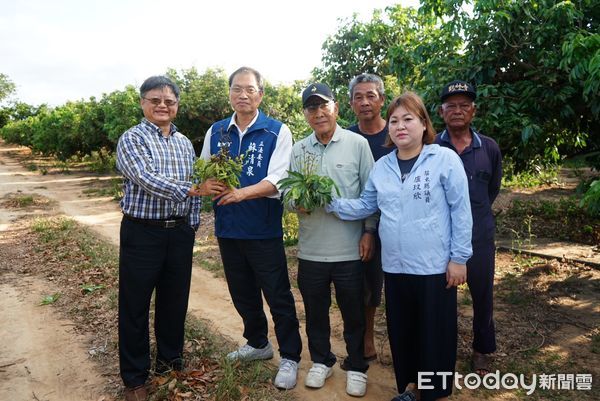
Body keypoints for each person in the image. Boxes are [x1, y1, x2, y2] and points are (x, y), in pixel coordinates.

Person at [327, 91, 473, 401]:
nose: (400, 126)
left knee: (434, 331)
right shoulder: (383, 167)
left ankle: (433, 392)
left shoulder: (443, 159)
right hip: (395, 264)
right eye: (394, 121)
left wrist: (459, 258)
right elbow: (366, 205)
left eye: (408, 119)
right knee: (403, 330)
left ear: (423, 124)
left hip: (434, 265)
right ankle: (409, 387)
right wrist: (328, 203)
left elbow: (461, 211)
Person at [116, 75, 225, 401]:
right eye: (155, 100)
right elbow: (146, 178)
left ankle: (170, 364)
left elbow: (194, 183)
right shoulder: (132, 139)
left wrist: (190, 226)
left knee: (174, 302)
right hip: (142, 232)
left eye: (169, 101)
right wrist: (194, 190)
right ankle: (135, 378)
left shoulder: (182, 143)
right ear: (143, 102)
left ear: (176, 105)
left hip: (178, 233)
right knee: (135, 306)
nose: (163, 105)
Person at [199, 66, 302, 390]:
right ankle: (258, 343)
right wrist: (206, 185)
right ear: (229, 93)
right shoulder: (216, 131)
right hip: (228, 228)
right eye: (237, 89)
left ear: (260, 94)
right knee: (242, 292)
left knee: (278, 295)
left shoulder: (276, 131)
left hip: (263, 230)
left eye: (249, 89)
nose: (243, 95)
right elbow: (203, 172)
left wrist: (241, 193)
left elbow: (280, 179)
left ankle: (290, 356)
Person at [290, 82, 375, 397]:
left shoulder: (357, 144)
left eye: (323, 105)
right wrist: (293, 201)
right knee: (314, 310)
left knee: (353, 311)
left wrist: (369, 231)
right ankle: (321, 361)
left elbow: (371, 193)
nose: (318, 112)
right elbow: (286, 192)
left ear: (336, 107)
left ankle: (356, 365)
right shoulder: (299, 150)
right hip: (311, 250)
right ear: (306, 114)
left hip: (349, 250)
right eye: (311, 107)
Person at [435, 80, 502, 376]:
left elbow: (493, 190)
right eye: (452, 106)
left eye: (464, 105)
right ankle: (440, 351)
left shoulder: (488, 147)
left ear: (473, 111)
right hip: (439, 238)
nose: (458, 111)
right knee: (439, 297)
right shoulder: (431, 148)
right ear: (441, 111)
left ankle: (482, 349)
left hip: (480, 236)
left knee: (483, 295)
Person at [347, 73, 393, 363]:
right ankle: (365, 336)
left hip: (397, 223)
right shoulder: (348, 138)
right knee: (363, 282)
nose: (364, 102)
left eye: (370, 96)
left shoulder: (395, 134)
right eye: (358, 97)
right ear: (351, 103)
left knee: (387, 283)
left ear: (382, 100)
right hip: (360, 222)